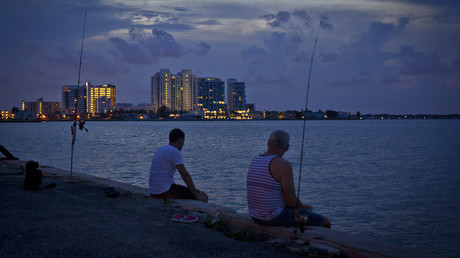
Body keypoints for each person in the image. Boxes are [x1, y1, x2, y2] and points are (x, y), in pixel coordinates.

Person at [247, 130, 331, 228]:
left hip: (256, 217)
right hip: (274, 218)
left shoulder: (255, 160)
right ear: (287, 148)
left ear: (268, 143)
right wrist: (304, 208)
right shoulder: (283, 165)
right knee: (325, 222)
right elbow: (291, 202)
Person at [149, 128, 208, 202]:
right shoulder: (174, 151)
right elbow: (184, 175)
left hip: (154, 191)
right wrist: (196, 195)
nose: (183, 144)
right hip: (163, 192)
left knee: (186, 190)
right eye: (183, 141)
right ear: (180, 140)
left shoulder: (161, 149)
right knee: (204, 195)